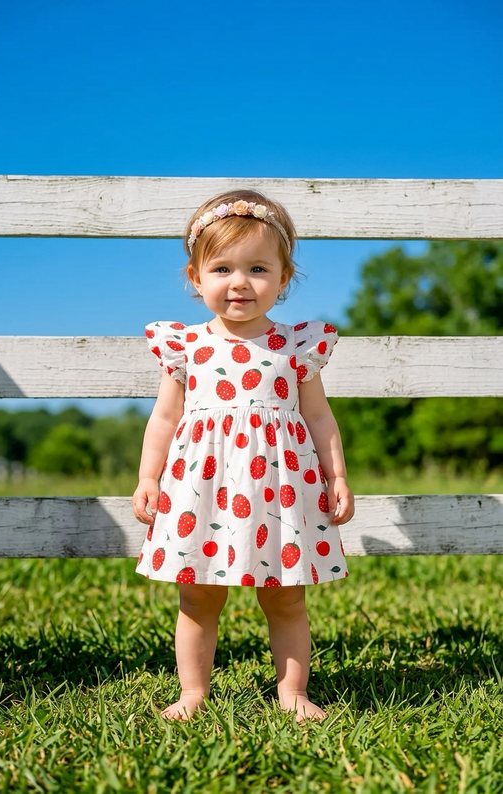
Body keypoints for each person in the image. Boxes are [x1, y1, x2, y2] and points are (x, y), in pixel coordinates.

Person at [132, 189, 355, 721]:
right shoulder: (187, 346)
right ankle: (193, 692)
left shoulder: (295, 345)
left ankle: (293, 692)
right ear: (196, 277)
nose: (240, 282)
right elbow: (164, 419)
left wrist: (337, 475)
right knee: (199, 597)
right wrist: (149, 477)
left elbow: (319, 418)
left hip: (279, 489)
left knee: (285, 598)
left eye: (258, 268)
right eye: (222, 268)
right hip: (201, 490)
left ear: (283, 277)